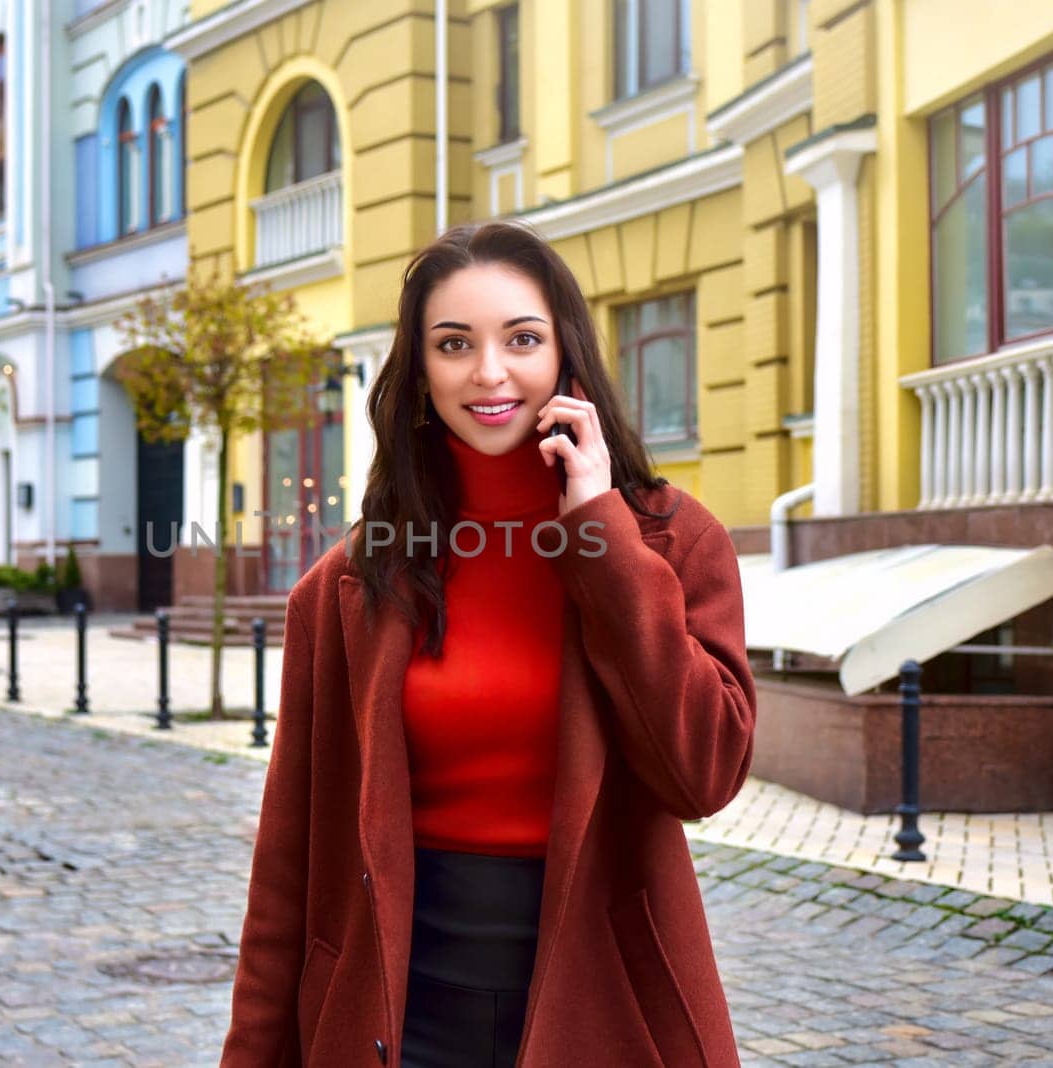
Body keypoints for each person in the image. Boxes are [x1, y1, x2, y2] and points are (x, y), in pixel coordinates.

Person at [220, 221, 756, 1068]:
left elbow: (706, 772)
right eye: (454, 344)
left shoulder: (665, 540)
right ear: (419, 368)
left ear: (566, 351)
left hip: (603, 1002)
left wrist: (598, 532)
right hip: (393, 1006)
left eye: (522, 338)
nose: (489, 372)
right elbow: (286, 868)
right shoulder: (347, 585)